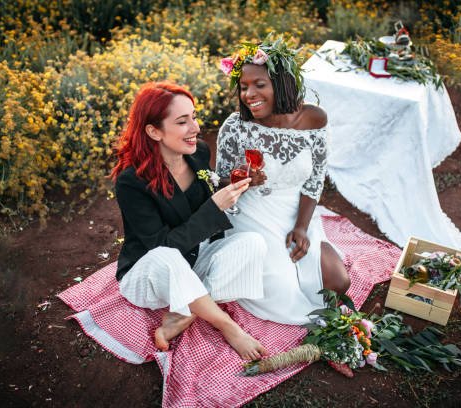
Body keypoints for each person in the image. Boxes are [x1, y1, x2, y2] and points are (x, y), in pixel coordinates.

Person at [111, 82, 268, 360]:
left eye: (193, 117)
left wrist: (235, 182)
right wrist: (214, 207)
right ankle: (226, 325)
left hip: (192, 261)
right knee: (166, 257)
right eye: (183, 122)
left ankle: (186, 312)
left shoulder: (198, 153)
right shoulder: (130, 181)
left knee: (252, 243)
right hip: (151, 274)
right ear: (153, 131)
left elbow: (203, 192)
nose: (195, 128)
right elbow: (161, 247)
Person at [216, 36, 350, 325]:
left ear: (283, 83)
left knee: (337, 282)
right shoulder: (235, 128)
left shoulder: (314, 119)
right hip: (251, 214)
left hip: (295, 210)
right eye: (243, 87)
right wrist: (243, 179)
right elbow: (218, 185)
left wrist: (302, 227)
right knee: (284, 291)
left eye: (259, 85)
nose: (249, 94)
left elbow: (314, 181)